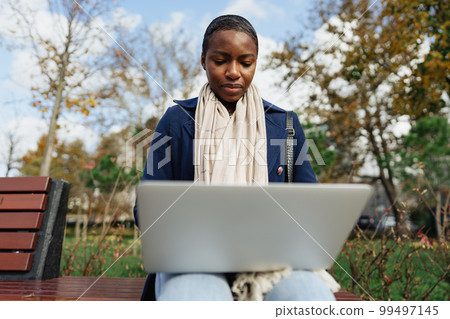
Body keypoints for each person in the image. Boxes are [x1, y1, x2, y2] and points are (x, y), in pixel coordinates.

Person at [134, 14, 336, 301]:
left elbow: (309, 208)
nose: (233, 71)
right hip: (191, 257)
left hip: (272, 259)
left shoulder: (286, 125)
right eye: (220, 60)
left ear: (256, 63)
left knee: (310, 297)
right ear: (203, 60)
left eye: (245, 62)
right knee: (196, 297)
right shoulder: (176, 120)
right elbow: (146, 210)